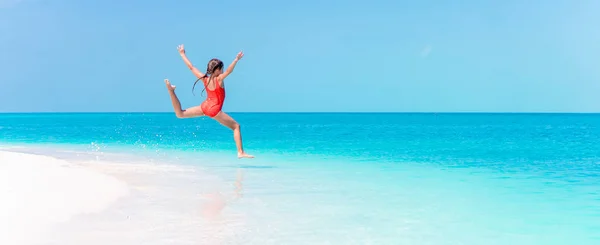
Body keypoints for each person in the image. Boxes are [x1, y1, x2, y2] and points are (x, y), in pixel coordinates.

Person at [164, 44, 254, 158]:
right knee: (236, 126)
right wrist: (236, 59)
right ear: (217, 70)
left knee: (180, 114)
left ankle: (171, 91)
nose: (222, 71)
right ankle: (240, 152)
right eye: (221, 69)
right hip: (214, 109)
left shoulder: (204, 79)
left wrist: (182, 54)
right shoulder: (219, 79)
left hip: (205, 106)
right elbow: (229, 71)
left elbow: (191, 67)